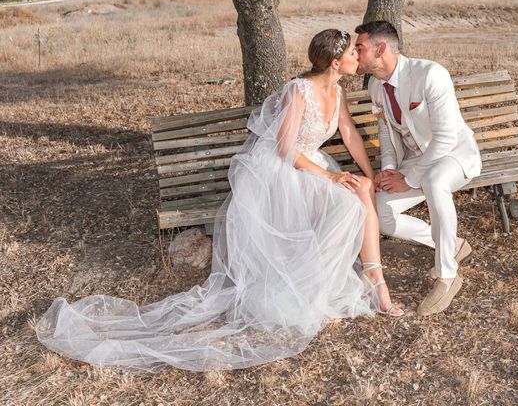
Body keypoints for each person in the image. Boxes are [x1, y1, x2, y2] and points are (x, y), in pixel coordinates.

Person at [35, 29, 402, 373]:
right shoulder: (298, 91)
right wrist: (330, 177)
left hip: (314, 166)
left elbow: (350, 132)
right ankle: (321, 290)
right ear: (335, 62)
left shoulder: (337, 91)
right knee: (344, 205)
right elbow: (285, 148)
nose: (359, 54)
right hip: (283, 171)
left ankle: (366, 278)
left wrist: (366, 173)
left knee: (356, 197)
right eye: (354, 51)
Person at [355, 21, 482, 316]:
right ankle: (452, 244)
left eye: (360, 47)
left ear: (381, 48)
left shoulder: (430, 74)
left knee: (436, 182)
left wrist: (410, 179)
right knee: (381, 212)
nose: (356, 53)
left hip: (454, 155)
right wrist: (388, 169)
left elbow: (447, 137)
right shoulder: (376, 85)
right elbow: (386, 132)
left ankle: (447, 276)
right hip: (415, 160)